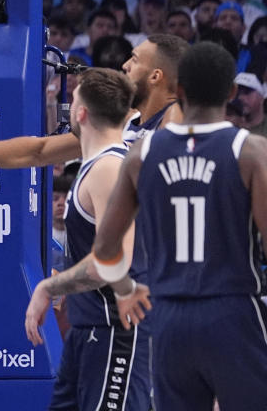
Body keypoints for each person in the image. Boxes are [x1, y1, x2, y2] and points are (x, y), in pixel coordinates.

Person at [91, 42, 267, 410]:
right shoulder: (249, 151)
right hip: (232, 310)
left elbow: (106, 248)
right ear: (231, 92)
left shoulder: (142, 153)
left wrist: (126, 290)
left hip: (168, 316)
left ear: (180, 90)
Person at [23, 68, 150, 410]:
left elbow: (115, 261)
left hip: (116, 330)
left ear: (79, 113)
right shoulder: (94, 165)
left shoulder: (109, 168)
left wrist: (48, 287)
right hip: (89, 328)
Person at [0, 34, 189, 169]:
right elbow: (39, 150)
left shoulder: (175, 119)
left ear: (156, 76)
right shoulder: (125, 122)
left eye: (135, 60)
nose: (125, 65)